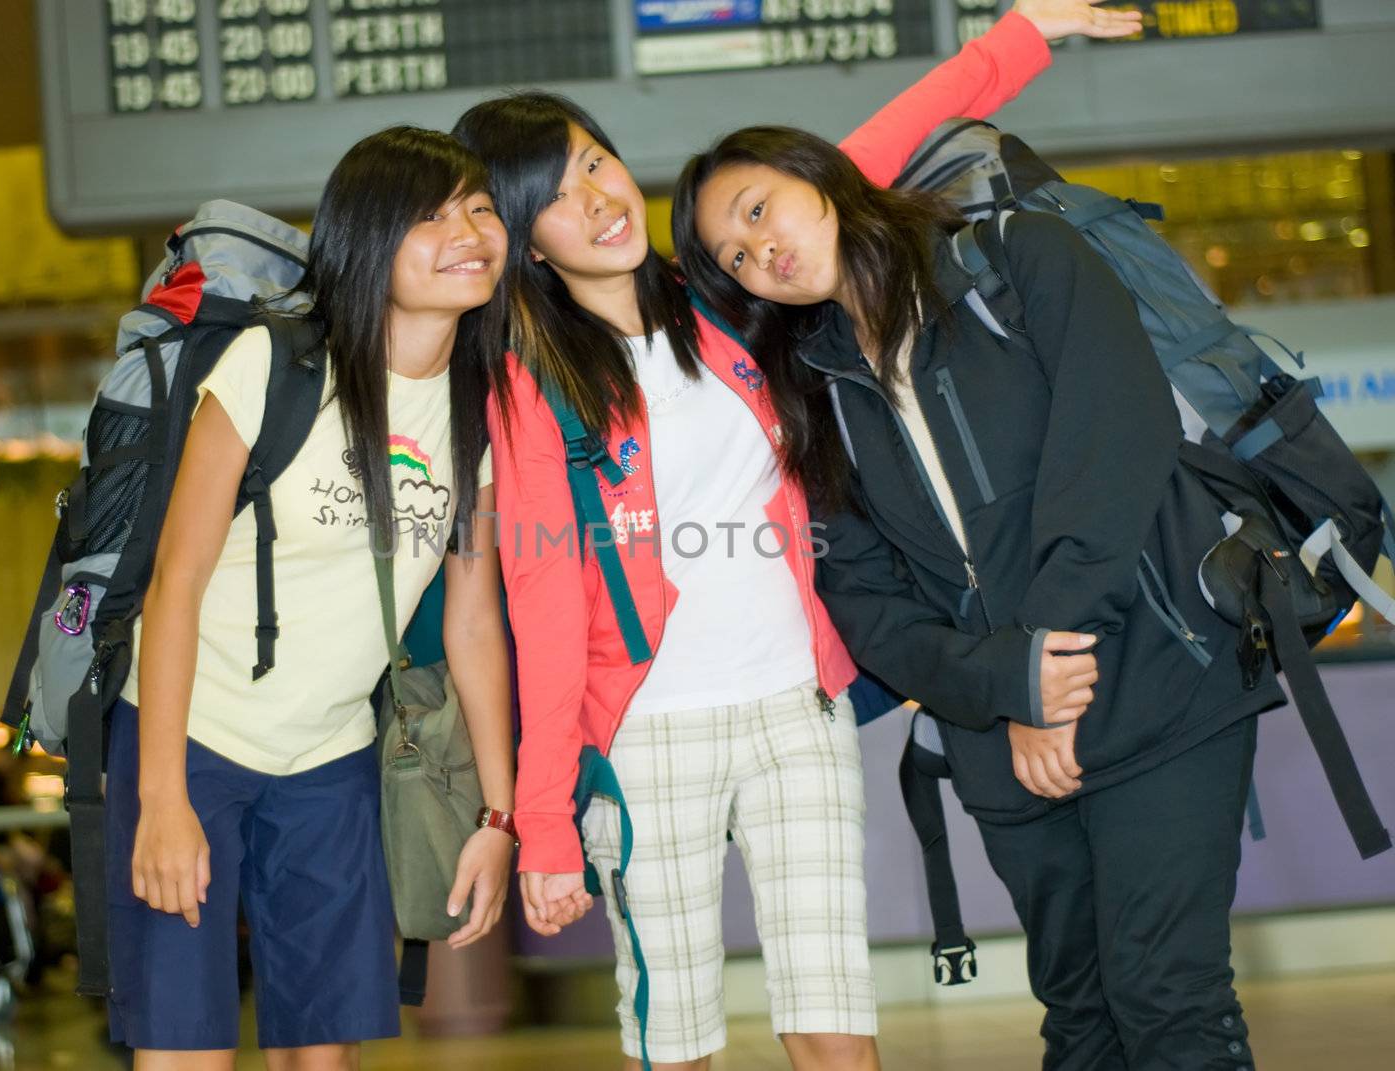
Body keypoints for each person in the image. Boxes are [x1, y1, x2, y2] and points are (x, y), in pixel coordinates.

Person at [455, 3, 1140, 1068]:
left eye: (593, 164)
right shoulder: (529, 387)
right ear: (524, 242)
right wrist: (543, 822)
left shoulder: (725, 300)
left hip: (796, 715)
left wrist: (1020, 35)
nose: (595, 203)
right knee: (673, 1042)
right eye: (553, 200)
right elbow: (541, 611)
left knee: (832, 1027)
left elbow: (854, 160)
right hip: (645, 737)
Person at [673, 76, 1272, 1071]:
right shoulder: (812, 393)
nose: (760, 250)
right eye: (736, 256)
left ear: (816, 176)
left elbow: (1115, 448)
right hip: (998, 732)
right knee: (1079, 1010)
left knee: (1166, 996)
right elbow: (862, 596)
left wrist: (1045, 655)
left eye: (757, 209)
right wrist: (1006, 685)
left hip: (1158, 680)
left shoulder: (1015, 261)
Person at [109, 126, 517, 1071]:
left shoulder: (474, 410)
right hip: (191, 736)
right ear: (368, 238)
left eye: (480, 208)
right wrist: (162, 796)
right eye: (432, 214)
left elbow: (473, 622)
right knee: (184, 1049)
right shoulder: (273, 365)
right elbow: (175, 587)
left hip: (334, 756)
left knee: (322, 1054)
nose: (469, 230)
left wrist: (498, 817)